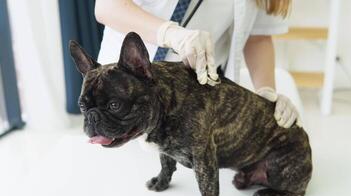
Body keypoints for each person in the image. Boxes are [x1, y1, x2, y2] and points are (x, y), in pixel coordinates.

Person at [94, 0, 301, 128]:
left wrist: (266, 93)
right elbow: (107, 6)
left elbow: (258, 37)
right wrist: (170, 33)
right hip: (123, 92)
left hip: (193, 98)